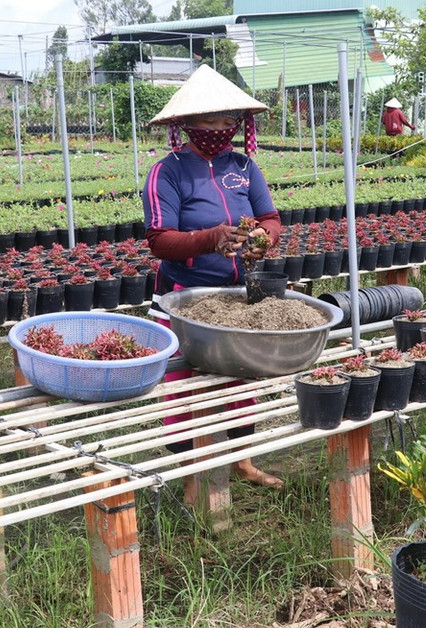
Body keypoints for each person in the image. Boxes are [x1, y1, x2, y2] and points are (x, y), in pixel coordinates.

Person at [141, 64, 284, 490]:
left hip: (238, 294)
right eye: (210, 120)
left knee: (242, 374)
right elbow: (159, 240)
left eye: (228, 121)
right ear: (186, 124)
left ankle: (243, 461)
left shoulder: (243, 166)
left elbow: (271, 218)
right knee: (182, 381)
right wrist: (210, 239)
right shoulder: (168, 172)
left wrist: (262, 237)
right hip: (185, 295)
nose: (221, 129)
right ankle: (190, 474)